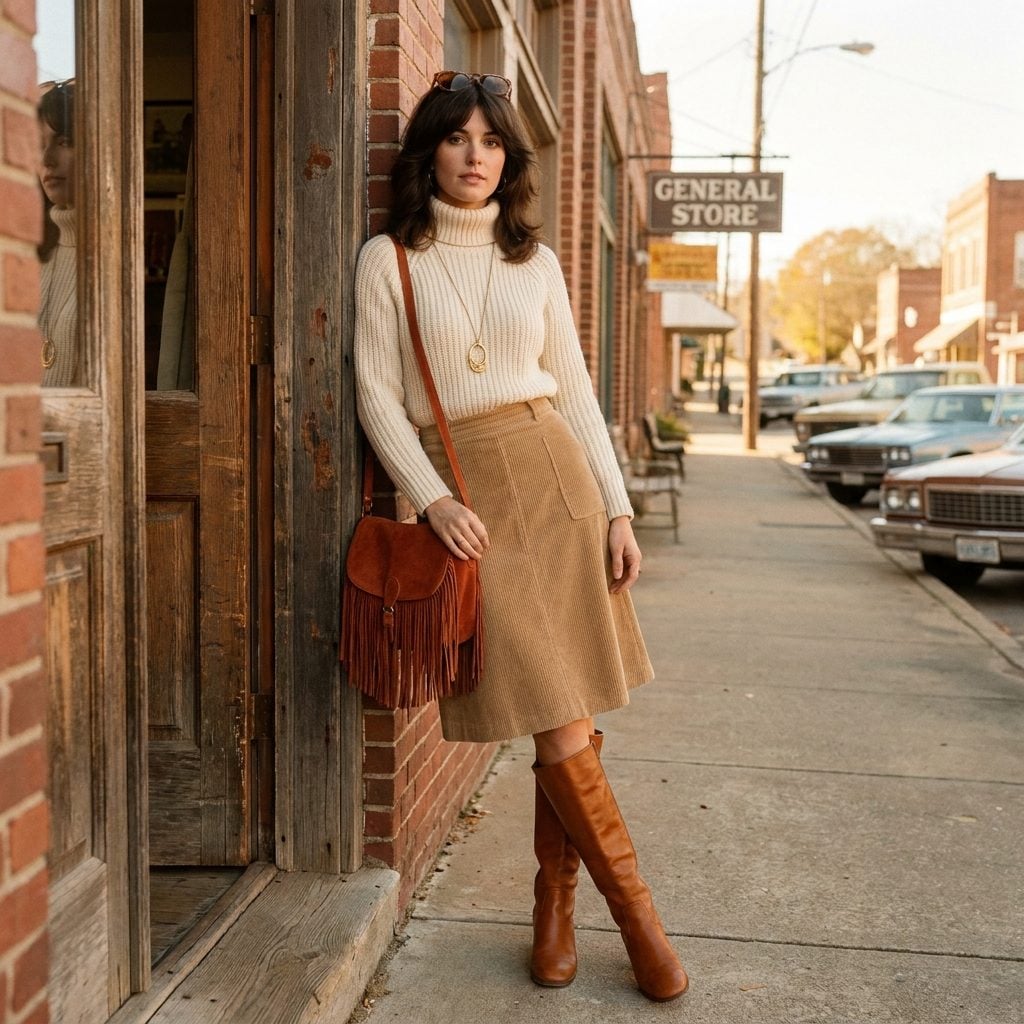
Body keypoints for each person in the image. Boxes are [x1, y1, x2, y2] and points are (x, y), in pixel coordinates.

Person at [353, 71, 688, 1003]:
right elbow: (379, 396)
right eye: (458, 139)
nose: (475, 156)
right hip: (468, 489)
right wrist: (428, 500)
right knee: (557, 709)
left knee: (563, 712)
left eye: (491, 142)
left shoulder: (533, 262)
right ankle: (633, 923)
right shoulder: (391, 260)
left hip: (555, 476)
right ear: (431, 152)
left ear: (510, 158)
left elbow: (575, 389)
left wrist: (616, 508)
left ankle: (560, 907)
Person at [36, 79, 79, 387]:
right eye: (40, 145)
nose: (47, 159)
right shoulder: (32, 255)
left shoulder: (118, 255)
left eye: (63, 141)